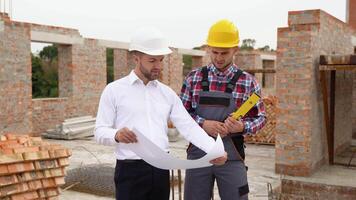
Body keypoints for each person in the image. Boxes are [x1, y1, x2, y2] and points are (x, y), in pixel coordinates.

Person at [94, 27, 227, 200]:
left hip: (161, 171)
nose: (158, 66)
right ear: (136, 58)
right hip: (130, 171)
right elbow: (99, 131)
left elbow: (188, 126)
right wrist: (116, 134)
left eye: (160, 60)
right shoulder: (114, 91)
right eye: (152, 61)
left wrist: (213, 149)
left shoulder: (167, 94)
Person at [180, 19, 267, 200]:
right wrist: (203, 124)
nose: (219, 58)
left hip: (232, 157)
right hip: (198, 156)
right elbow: (181, 115)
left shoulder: (248, 82)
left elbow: (261, 118)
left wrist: (242, 127)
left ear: (235, 49)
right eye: (215, 52)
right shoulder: (193, 78)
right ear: (208, 48)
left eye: (225, 53)